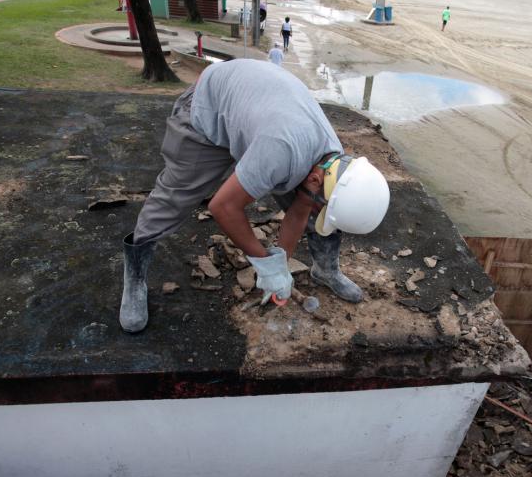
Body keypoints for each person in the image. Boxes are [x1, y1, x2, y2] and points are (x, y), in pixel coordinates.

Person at [119, 60, 391, 333]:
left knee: (317, 209)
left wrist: (281, 268)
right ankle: (134, 277)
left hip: (257, 114)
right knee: (173, 199)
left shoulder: (333, 160)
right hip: (208, 107)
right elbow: (223, 207)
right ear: (315, 178)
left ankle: (325, 270)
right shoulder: (280, 151)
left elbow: (300, 210)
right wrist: (265, 266)